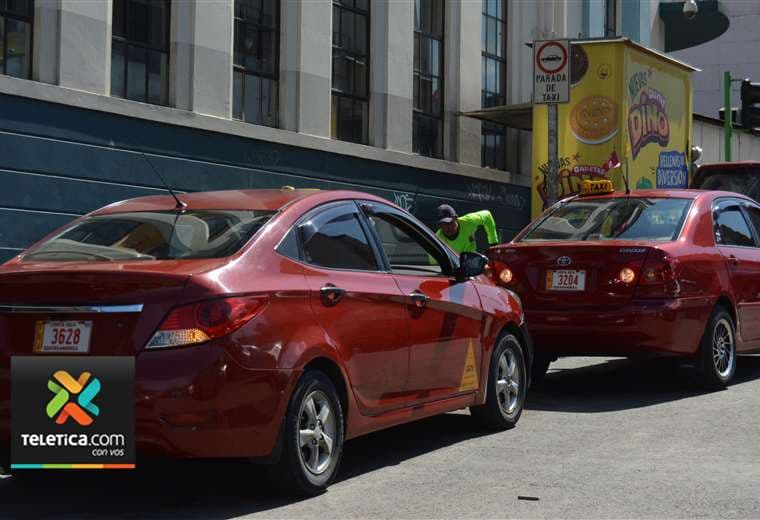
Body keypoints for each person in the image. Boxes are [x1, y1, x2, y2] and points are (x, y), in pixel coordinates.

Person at [435, 204, 500, 254]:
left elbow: (487, 215)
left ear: (455, 218)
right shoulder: (437, 239)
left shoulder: (469, 221)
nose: (445, 228)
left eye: (448, 223)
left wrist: (493, 244)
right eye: (441, 225)